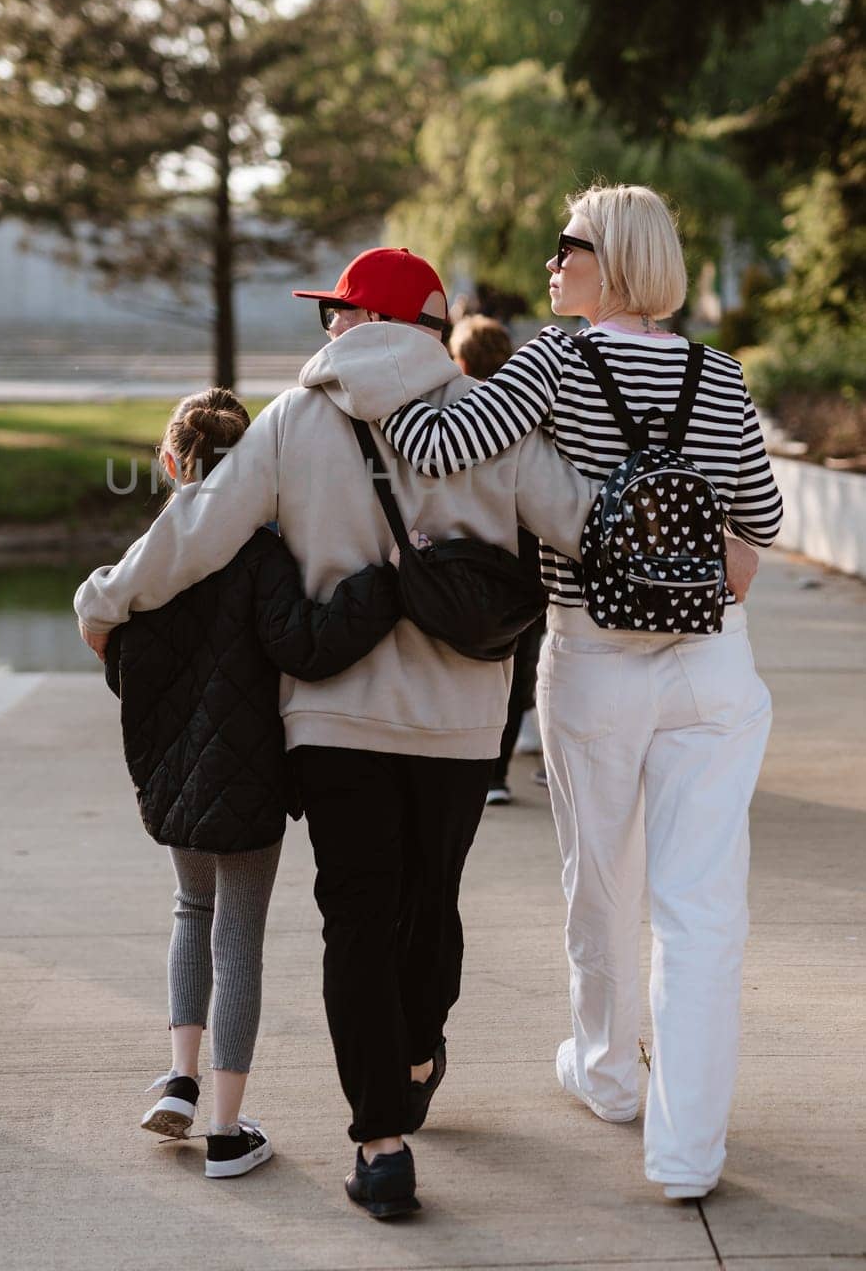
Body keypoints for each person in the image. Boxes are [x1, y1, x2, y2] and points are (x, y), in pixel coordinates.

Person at [75, 247, 599, 1220]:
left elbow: (194, 531)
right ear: (433, 328)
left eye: (333, 314)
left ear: (355, 323)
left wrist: (102, 599)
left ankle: (380, 1142)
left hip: (334, 720)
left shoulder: (293, 421)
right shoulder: (489, 421)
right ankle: (412, 1049)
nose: (327, 330)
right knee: (427, 902)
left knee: (354, 918)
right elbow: (581, 526)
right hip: (458, 718)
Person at [378, 185, 781, 1201]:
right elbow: (759, 524)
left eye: (569, 245)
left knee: (598, 884)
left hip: (593, 660)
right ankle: (685, 1155)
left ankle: (605, 1073)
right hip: (709, 663)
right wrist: (691, 580)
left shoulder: (553, 363)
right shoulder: (716, 374)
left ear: (615, 260)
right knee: (700, 911)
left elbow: (430, 447)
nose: (550, 261)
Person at [102, 387, 402, 1180]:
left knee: (189, 909)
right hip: (250, 774)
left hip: (170, 776)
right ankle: (228, 1132)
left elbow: (122, 665)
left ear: (171, 463)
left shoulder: (150, 562)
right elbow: (305, 647)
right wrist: (378, 585)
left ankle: (180, 1075)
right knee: (238, 938)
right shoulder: (264, 558)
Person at [448, 315, 546, 805]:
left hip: (471, 557)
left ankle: (475, 762)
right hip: (527, 560)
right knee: (520, 660)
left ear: (460, 361)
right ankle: (497, 773)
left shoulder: (457, 417)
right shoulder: (524, 414)